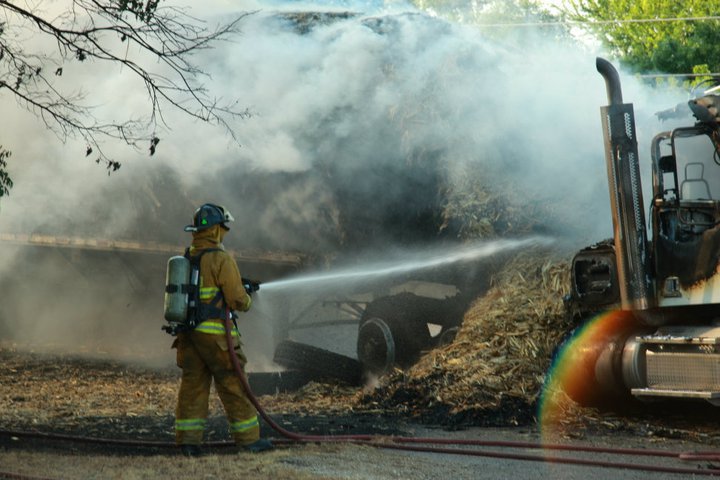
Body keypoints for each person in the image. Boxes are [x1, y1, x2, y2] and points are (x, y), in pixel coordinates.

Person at [173, 203, 273, 457]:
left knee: (193, 386)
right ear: (216, 230)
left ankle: (188, 443)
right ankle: (249, 441)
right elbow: (238, 300)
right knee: (233, 383)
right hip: (216, 337)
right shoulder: (220, 258)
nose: (225, 232)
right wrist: (248, 297)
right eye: (223, 228)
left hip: (189, 336)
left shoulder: (188, 257)